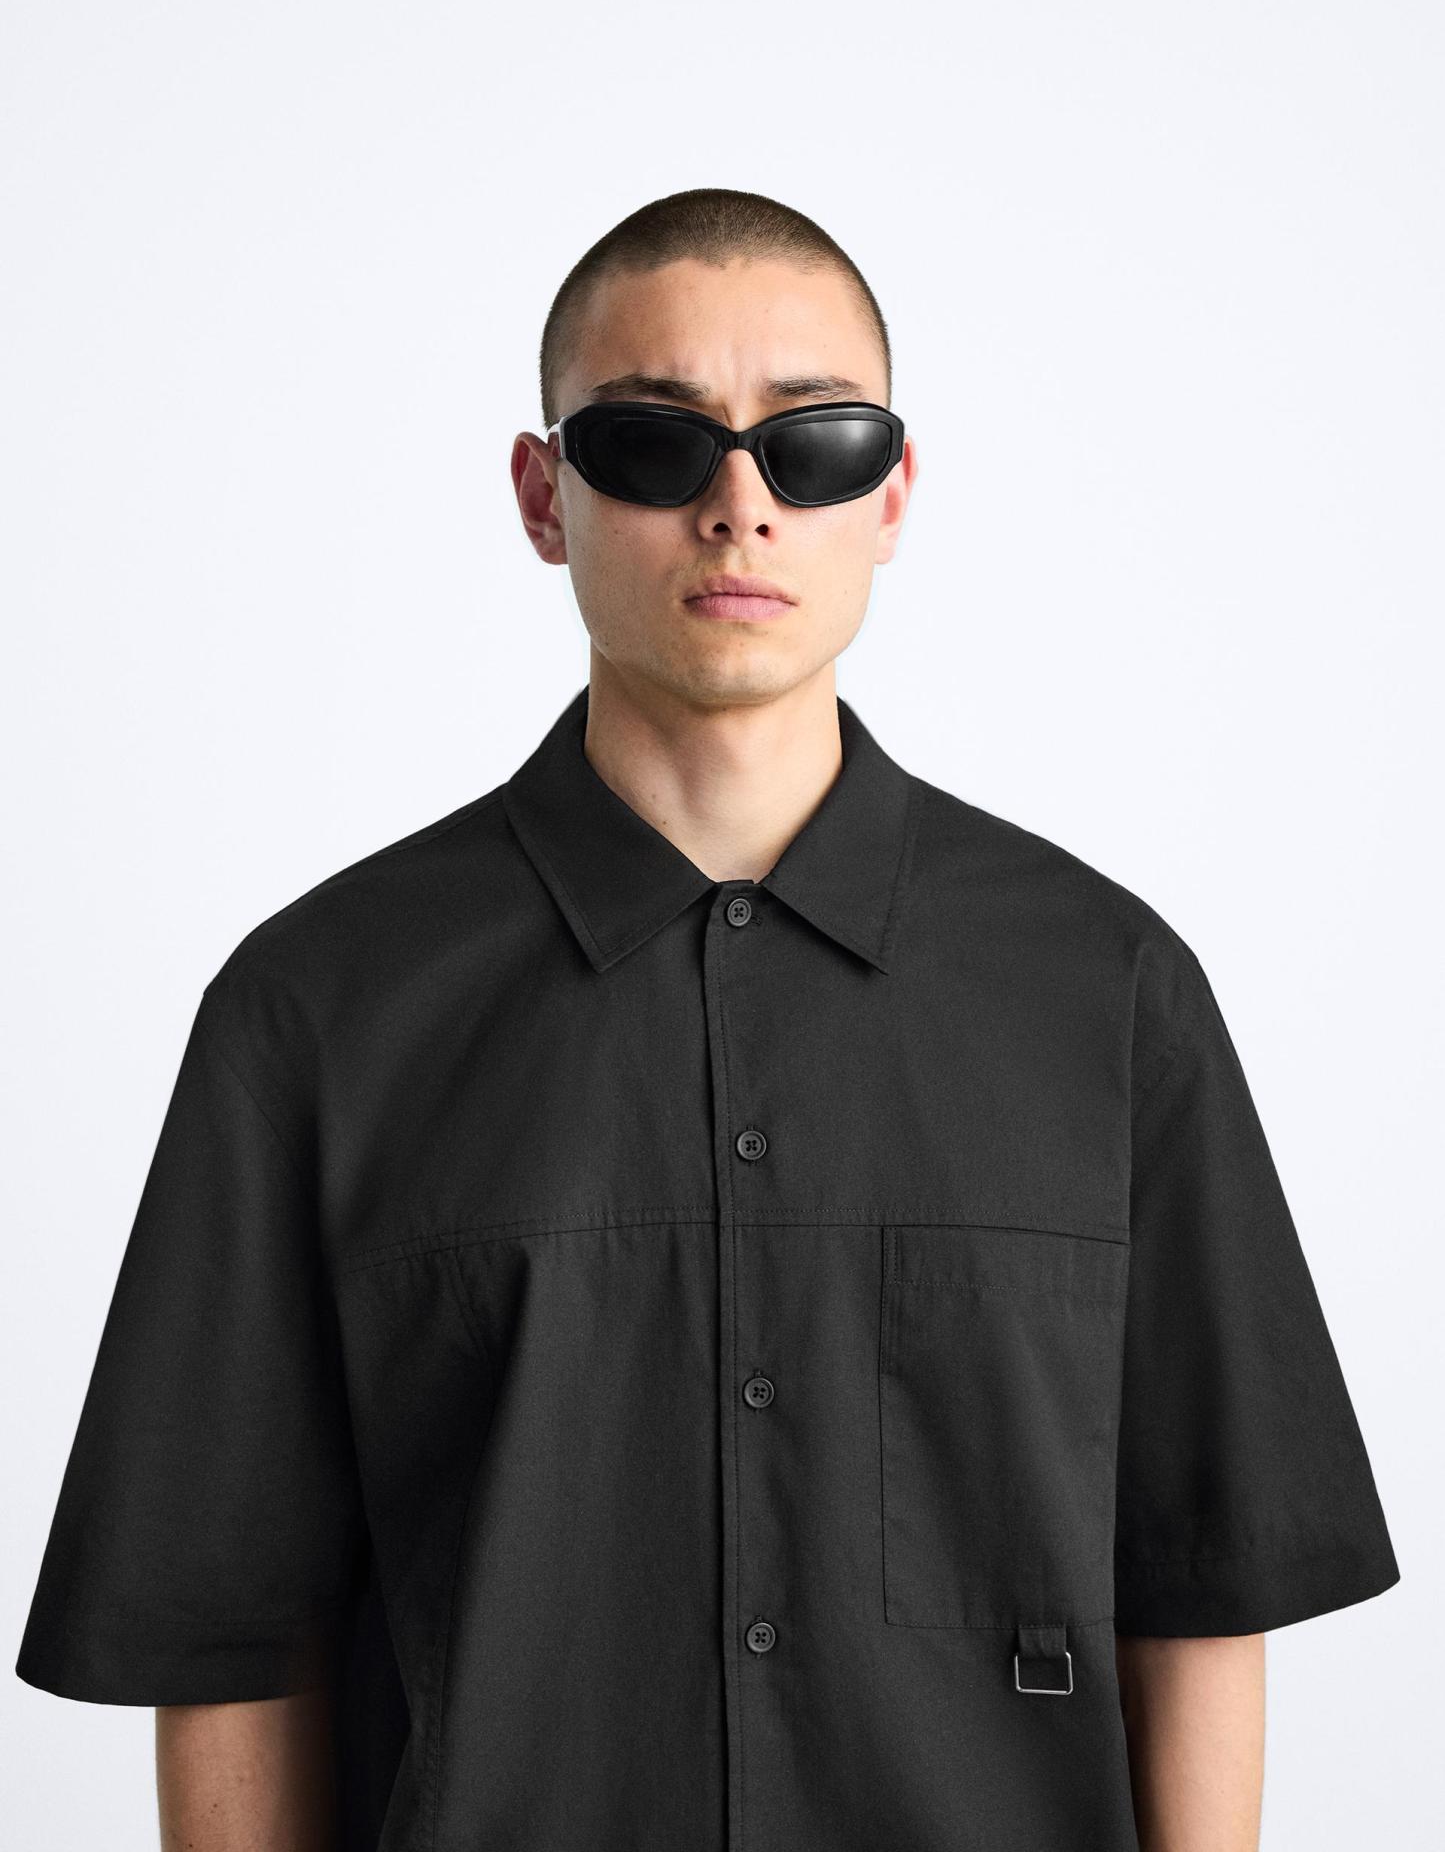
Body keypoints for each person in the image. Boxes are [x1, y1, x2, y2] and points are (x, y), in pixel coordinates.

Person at [16, 187, 1400, 1851]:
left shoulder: (1105, 993)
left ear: (891, 494)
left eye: (812, 443)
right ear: (543, 495)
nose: (738, 505)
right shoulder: (316, 1011)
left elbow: (1200, 1586)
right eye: (652, 443)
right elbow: (227, 1630)